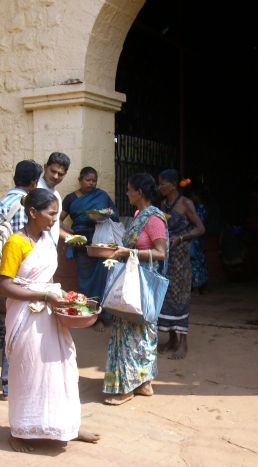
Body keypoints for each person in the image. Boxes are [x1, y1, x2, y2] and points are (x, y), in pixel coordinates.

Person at [0, 188, 100, 452]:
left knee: (60, 370)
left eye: (56, 214)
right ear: (32, 212)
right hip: (25, 319)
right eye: (52, 214)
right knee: (29, 372)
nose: (56, 219)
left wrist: (65, 296)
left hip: (48, 314)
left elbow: (46, 281)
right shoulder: (15, 243)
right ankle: (19, 431)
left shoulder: (46, 240)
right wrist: (45, 295)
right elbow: (5, 286)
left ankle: (67, 426)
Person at [0, 159, 43, 401]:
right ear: (34, 182)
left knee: (11, 326)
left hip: (4, 278)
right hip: (27, 279)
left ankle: (7, 384)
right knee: (27, 330)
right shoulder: (31, 208)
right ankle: (22, 381)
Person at [103, 173, 168, 406]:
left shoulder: (153, 219)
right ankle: (143, 383)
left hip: (141, 285)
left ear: (139, 193)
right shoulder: (140, 215)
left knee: (136, 333)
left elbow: (161, 253)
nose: (127, 193)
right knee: (138, 332)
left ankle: (127, 387)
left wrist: (128, 252)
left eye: (129, 189)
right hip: (133, 280)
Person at [60, 167, 119, 332]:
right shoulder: (70, 198)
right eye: (88, 180)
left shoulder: (102, 196)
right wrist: (69, 233)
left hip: (101, 241)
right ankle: (88, 313)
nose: (91, 183)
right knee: (85, 280)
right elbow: (57, 220)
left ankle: (101, 316)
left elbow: (114, 215)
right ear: (80, 180)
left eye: (94, 180)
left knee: (102, 278)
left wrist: (103, 215)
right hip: (81, 244)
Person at [157, 170, 205, 360]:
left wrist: (182, 238)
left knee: (181, 296)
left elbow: (201, 228)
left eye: (162, 184)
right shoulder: (163, 204)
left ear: (174, 185)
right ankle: (172, 338)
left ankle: (183, 343)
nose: (159, 187)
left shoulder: (186, 203)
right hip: (166, 258)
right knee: (166, 296)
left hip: (181, 259)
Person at [37, 152, 71, 243]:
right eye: (53, 171)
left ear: (65, 174)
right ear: (45, 167)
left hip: (50, 251)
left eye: (60, 174)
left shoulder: (56, 195)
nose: (55, 176)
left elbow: (53, 227)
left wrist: (70, 237)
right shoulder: (36, 189)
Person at [187, 184, 209, 295]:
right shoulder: (200, 208)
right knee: (199, 261)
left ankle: (196, 286)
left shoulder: (199, 209)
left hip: (195, 238)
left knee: (195, 262)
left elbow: (196, 222)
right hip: (198, 238)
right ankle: (200, 286)